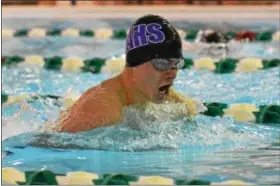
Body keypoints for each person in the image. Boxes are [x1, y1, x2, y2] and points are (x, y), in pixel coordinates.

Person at [55, 14, 204, 133]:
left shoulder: (163, 96)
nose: (172, 74)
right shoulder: (103, 109)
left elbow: (190, 112)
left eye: (176, 63)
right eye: (162, 63)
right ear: (136, 63)